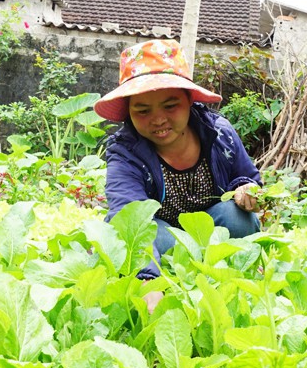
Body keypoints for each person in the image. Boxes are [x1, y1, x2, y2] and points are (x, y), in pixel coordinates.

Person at [94, 39, 261, 285]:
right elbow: (127, 218)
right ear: (128, 112)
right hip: (162, 236)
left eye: (170, 105)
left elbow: (247, 178)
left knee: (238, 218)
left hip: (211, 231)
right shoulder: (125, 152)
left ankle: (219, 264)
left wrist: (246, 190)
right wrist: (146, 280)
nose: (158, 119)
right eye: (142, 110)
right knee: (141, 233)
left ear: (189, 101)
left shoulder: (220, 134)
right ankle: (182, 267)